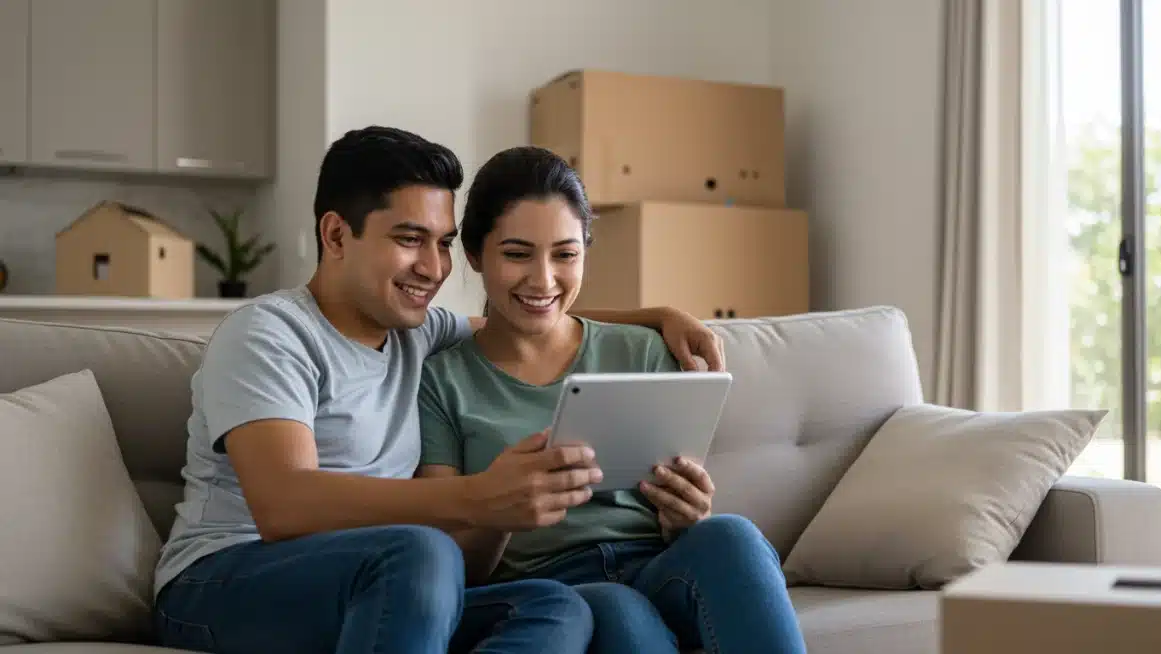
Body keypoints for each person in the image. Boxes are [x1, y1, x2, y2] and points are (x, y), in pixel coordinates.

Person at [151, 127, 726, 654]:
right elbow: (285, 506)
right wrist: (479, 498)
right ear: (335, 234)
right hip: (222, 580)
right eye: (409, 239)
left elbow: (525, 311)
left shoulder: (417, 330)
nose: (433, 268)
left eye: (444, 243)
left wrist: (658, 314)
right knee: (423, 549)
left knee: (556, 606)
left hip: (386, 578)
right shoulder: (270, 334)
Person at [415, 146, 809, 654]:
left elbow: (680, 500)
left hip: (659, 563)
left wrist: (688, 513)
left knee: (733, 536)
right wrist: (501, 510)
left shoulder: (644, 348)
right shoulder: (442, 381)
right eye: (517, 254)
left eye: (565, 254)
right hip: (554, 585)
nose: (543, 279)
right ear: (474, 254)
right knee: (617, 609)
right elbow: (454, 566)